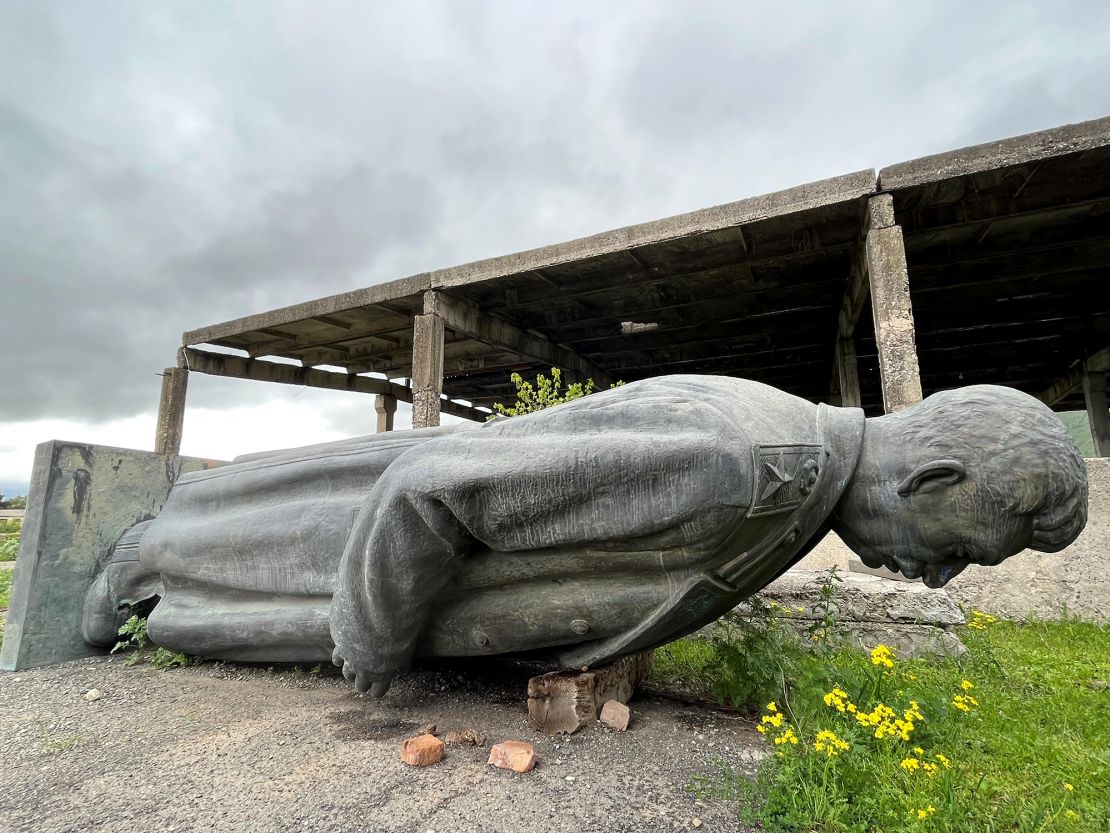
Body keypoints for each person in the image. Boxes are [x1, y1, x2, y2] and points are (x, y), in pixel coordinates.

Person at [83, 376, 1087, 697]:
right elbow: (431, 489)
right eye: (961, 548)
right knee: (207, 585)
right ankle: (136, 567)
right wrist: (373, 645)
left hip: (429, 580)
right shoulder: (739, 464)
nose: (938, 575)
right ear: (934, 477)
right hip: (360, 555)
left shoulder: (796, 473)